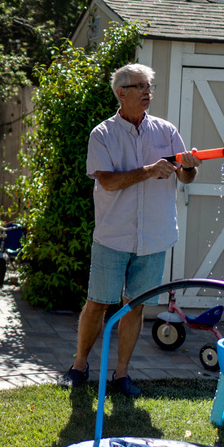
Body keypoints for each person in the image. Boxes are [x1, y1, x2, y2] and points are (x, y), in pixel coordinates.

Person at [59, 63, 202, 397]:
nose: (148, 92)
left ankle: (121, 375)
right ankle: (79, 366)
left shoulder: (166, 130)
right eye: (140, 86)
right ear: (121, 93)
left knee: (135, 305)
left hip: (155, 237)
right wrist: (148, 171)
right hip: (114, 236)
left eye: (150, 86)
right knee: (97, 303)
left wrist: (190, 168)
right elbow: (107, 181)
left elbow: (184, 176)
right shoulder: (102, 134)